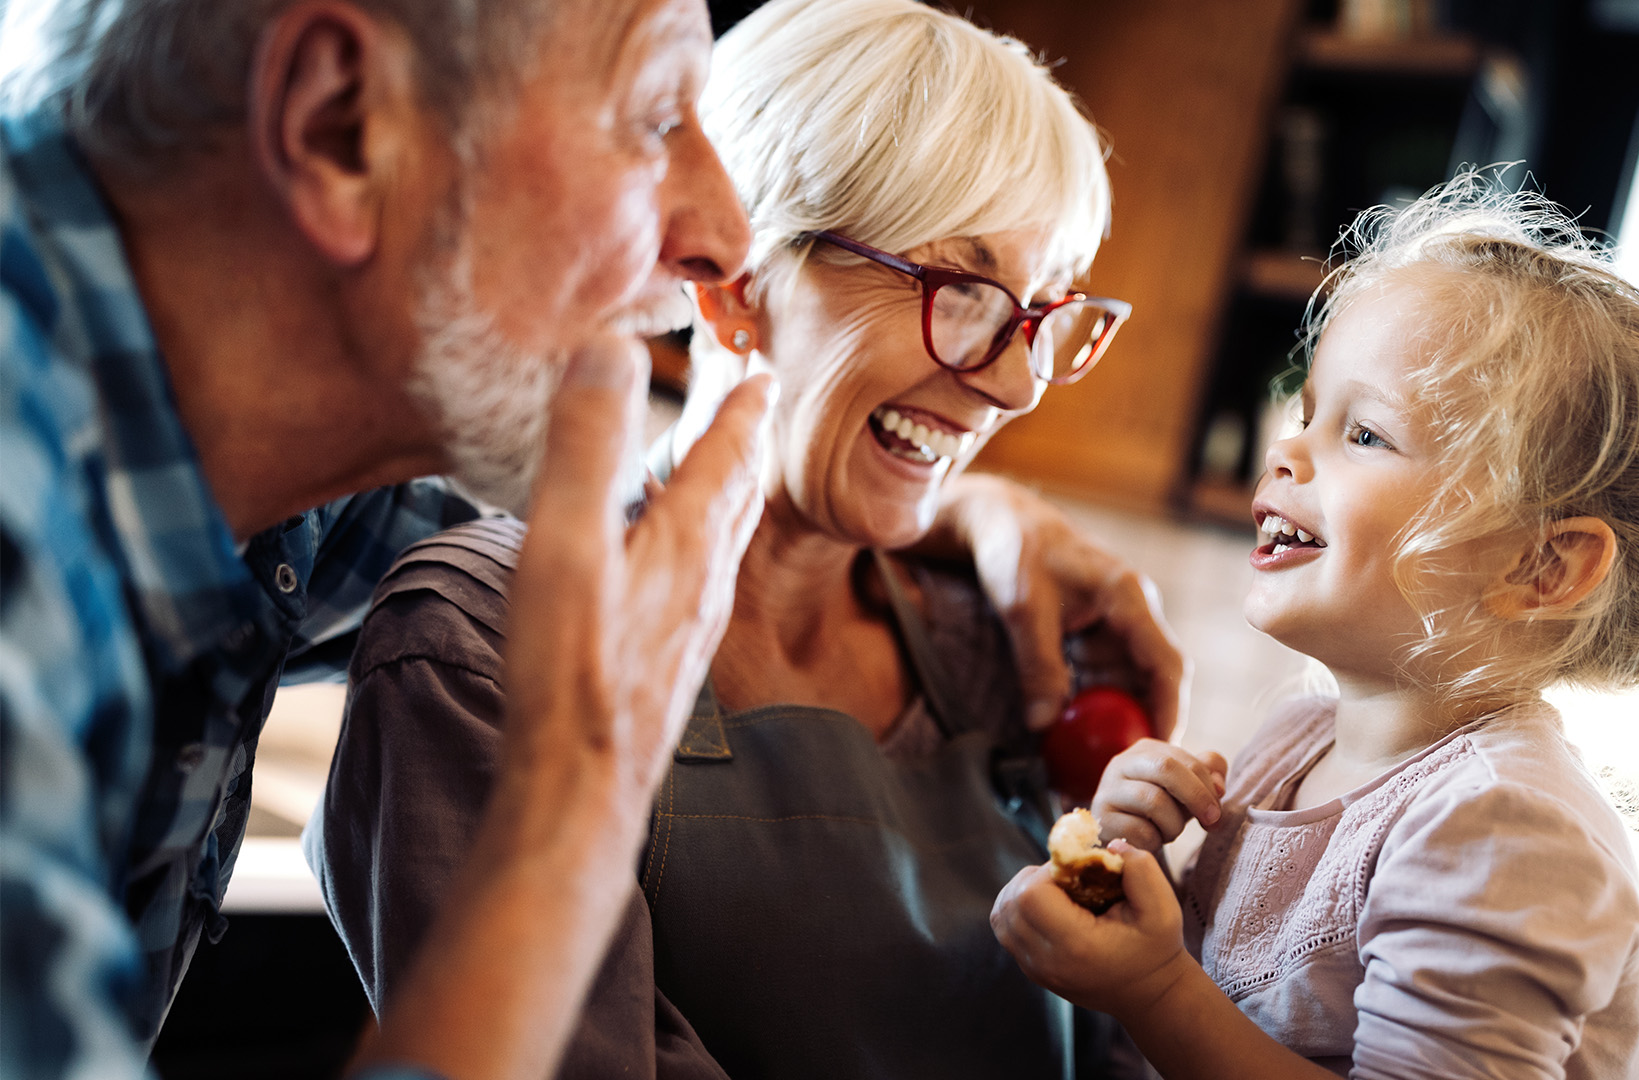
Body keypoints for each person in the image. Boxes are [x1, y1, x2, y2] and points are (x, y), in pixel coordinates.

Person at [0, 0, 1183, 1075]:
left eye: (1039, 317)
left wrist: (947, 500)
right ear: (343, 126)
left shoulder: (286, 506)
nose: (720, 234)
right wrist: (571, 809)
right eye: (655, 114)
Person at [991, 176, 1639, 1079]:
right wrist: (1138, 879)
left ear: (1543, 568)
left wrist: (1154, 986)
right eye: (1310, 411)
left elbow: (1188, 1004)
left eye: (1364, 434)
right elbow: (1234, 1009)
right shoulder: (1297, 739)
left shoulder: (1509, 831)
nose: (1287, 449)